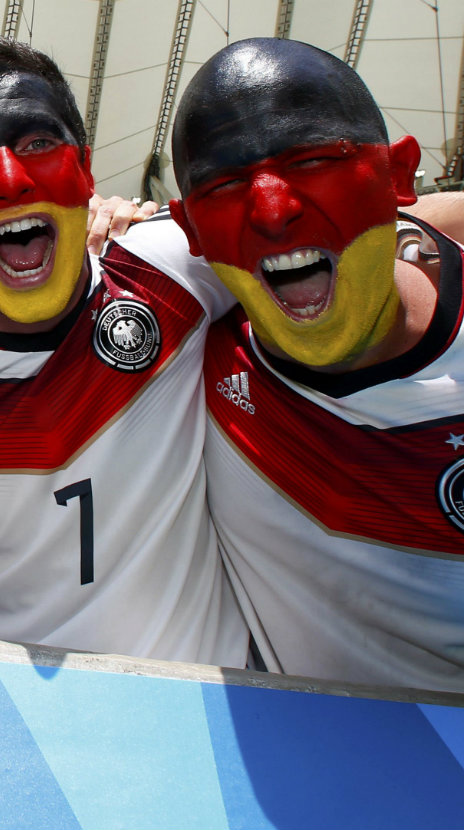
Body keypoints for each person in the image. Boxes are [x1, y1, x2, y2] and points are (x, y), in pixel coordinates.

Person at [0, 35, 247, 664]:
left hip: (204, 720)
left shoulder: (175, 267)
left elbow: (346, 227)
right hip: (10, 724)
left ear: (85, 170)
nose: (12, 180)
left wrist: (408, 246)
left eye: (39, 144)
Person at [167, 38, 464, 690]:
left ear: (400, 173)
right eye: (226, 184)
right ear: (187, 228)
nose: (273, 210)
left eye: (313, 160)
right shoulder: (191, 352)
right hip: (292, 771)